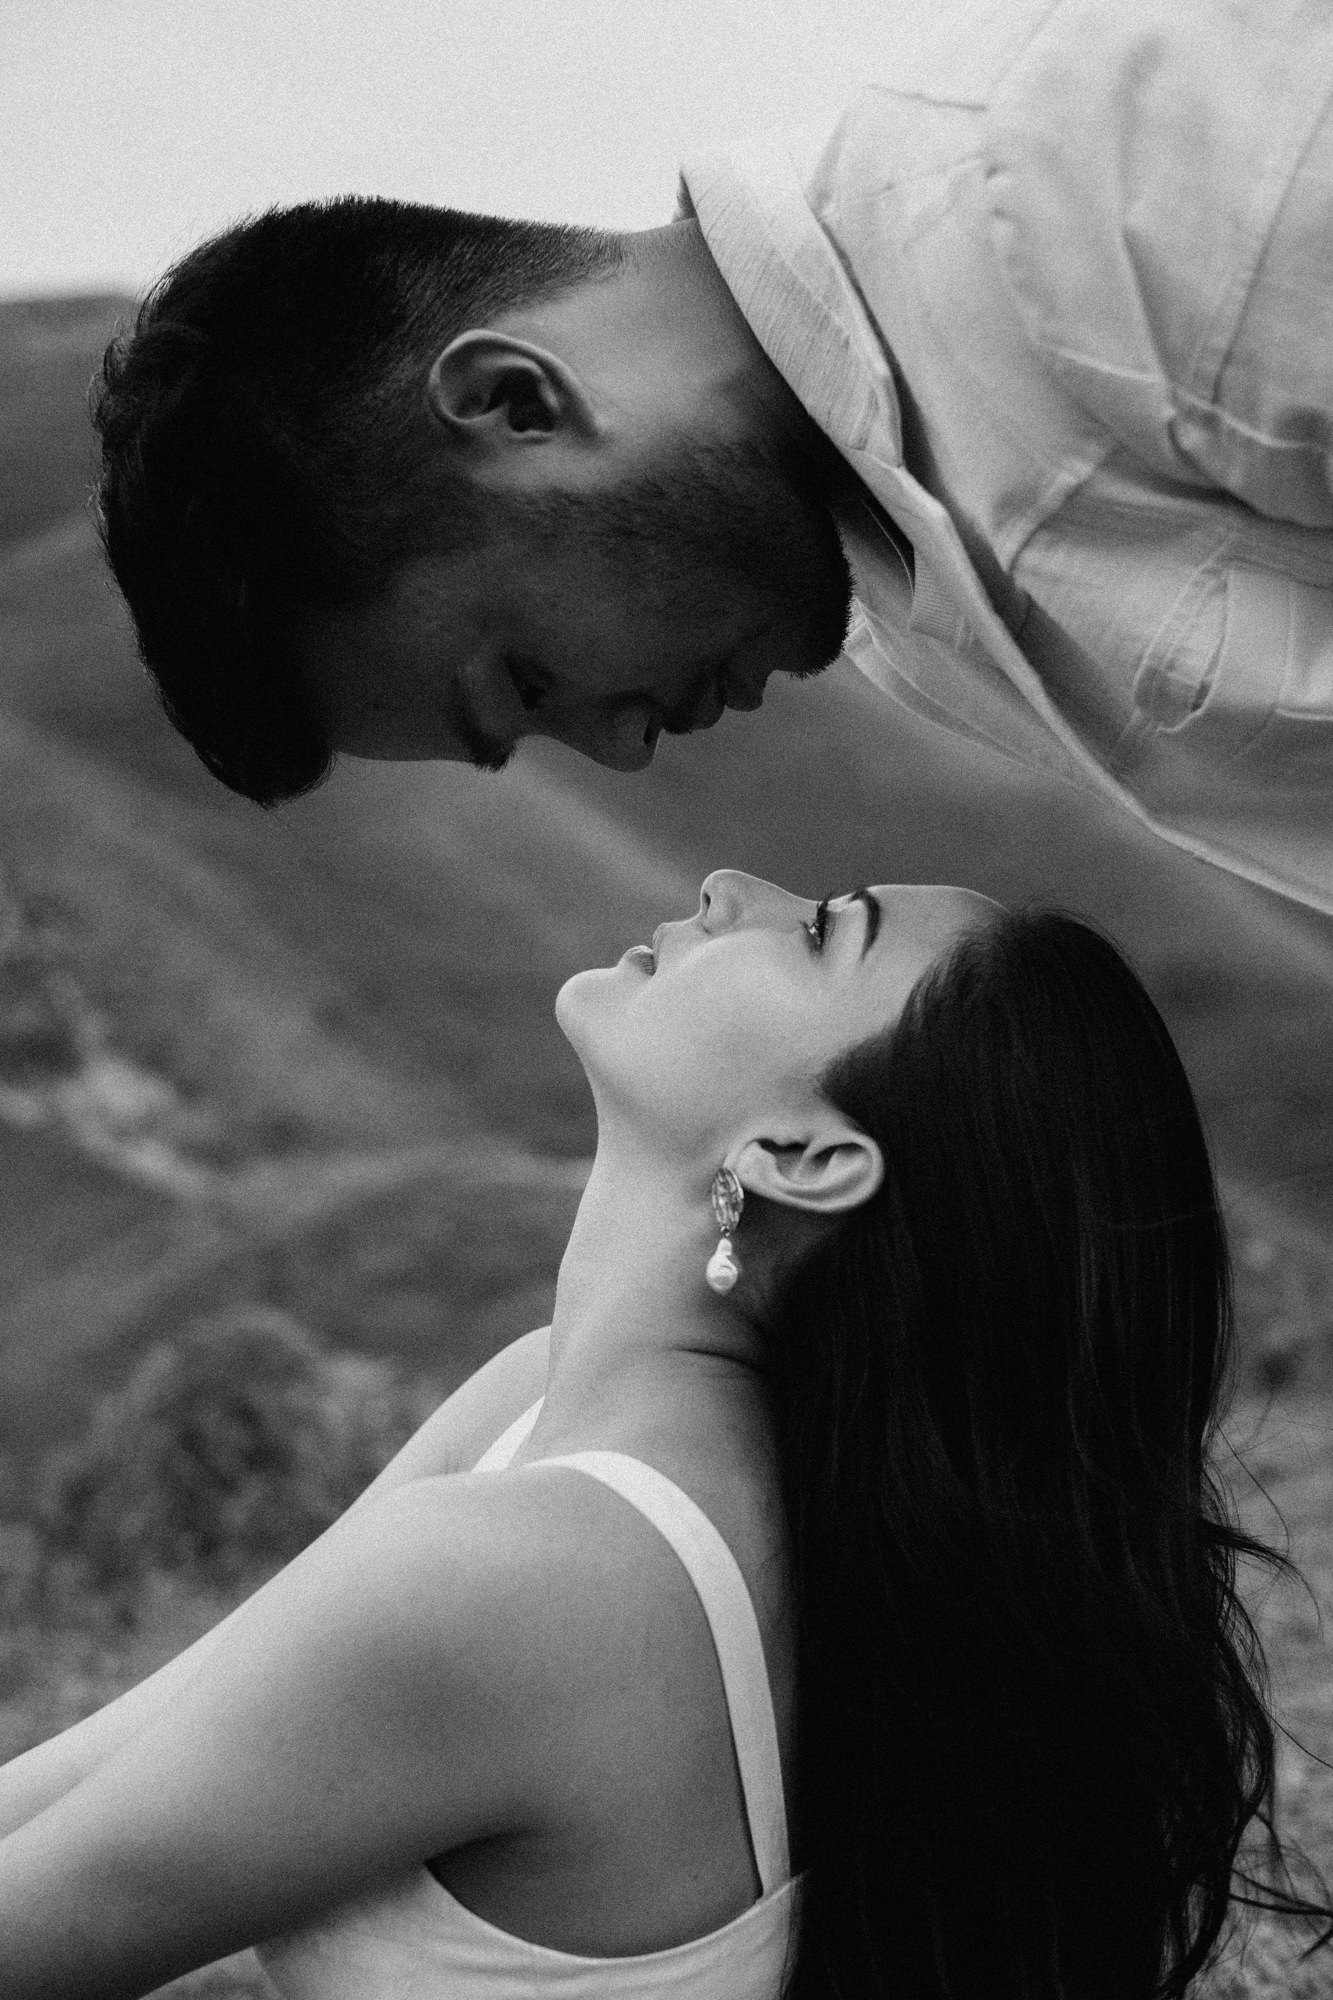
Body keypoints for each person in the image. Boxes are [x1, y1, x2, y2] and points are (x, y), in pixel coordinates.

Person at [0, 871, 1329, 1999]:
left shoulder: (533, 1581)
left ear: (802, 1155)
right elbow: (90, 1775)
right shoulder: (543, 1409)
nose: (729, 888)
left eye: (821, 930)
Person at [91, 0, 1333, 916]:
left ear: (516, 400)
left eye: (525, 681)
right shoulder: (897, 614)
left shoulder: (1100, 173)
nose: (623, 748)